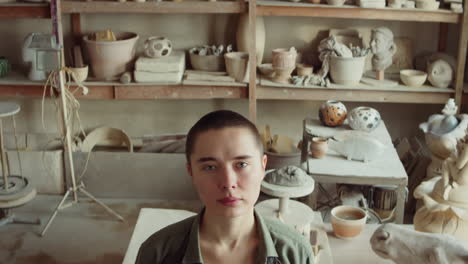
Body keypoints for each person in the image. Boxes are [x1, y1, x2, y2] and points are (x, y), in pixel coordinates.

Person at [136, 110, 314, 264]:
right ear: (191, 173)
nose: (228, 183)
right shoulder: (157, 254)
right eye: (210, 167)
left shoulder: (295, 253)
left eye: (241, 164)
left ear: (262, 166)